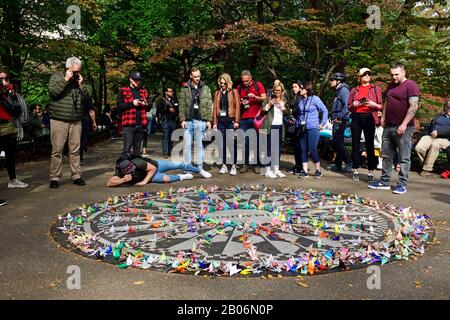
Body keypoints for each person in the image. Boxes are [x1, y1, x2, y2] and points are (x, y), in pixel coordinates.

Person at [369, 63, 420, 194]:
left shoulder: (411, 85)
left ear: (404, 72)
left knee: (404, 157)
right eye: (392, 74)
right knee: (386, 155)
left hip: (404, 127)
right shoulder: (391, 86)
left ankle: (402, 184)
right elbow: (387, 102)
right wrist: (383, 117)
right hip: (388, 126)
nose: (394, 77)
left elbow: (413, 106)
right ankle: (385, 181)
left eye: (396, 74)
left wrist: (403, 124)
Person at [48, 57, 88, 188]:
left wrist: (82, 84)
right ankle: (55, 177)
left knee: (75, 150)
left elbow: (87, 99)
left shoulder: (78, 81)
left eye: (78, 71)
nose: (77, 73)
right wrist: (65, 79)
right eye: (75, 71)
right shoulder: (56, 77)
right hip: (59, 119)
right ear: (68, 68)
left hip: (76, 120)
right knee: (57, 150)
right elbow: (53, 93)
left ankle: (76, 175)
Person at [348, 68, 383, 182]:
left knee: (370, 145)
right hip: (357, 117)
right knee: (355, 144)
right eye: (364, 74)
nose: (367, 76)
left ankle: (370, 171)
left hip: (369, 116)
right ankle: (355, 170)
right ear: (360, 77)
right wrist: (353, 104)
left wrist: (373, 104)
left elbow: (381, 106)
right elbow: (349, 106)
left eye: (368, 74)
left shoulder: (375, 88)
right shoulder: (354, 89)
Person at [178, 67, 212, 178]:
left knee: (199, 146)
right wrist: (182, 119)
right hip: (189, 121)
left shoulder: (205, 88)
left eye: (199, 76)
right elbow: (182, 104)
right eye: (195, 76)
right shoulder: (185, 88)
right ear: (191, 77)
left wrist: (209, 120)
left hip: (200, 121)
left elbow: (209, 105)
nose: (197, 78)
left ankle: (200, 168)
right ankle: (188, 169)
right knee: (187, 146)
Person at [0, 70, 29, 189]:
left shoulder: (12, 94)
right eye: (0, 79)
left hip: (10, 125)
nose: (3, 81)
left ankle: (13, 180)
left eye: (5, 78)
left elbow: (19, 110)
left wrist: (11, 95)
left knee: (10, 154)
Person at [295, 82, 328, 178]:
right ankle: (304, 171)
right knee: (303, 149)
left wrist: (322, 123)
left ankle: (318, 170)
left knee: (312, 149)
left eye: (301, 88)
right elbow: (300, 115)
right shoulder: (301, 100)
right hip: (302, 128)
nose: (300, 90)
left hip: (313, 127)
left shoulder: (315, 99)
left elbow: (324, 110)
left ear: (307, 89)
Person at [236, 70, 267, 174]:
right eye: (243, 81)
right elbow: (236, 101)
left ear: (251, 78)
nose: (245, 83)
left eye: (247, 81)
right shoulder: (239, 87)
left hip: (256, 118)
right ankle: (245, 164)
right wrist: (241, 102)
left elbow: (264, 97)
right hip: (244, 118)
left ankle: (257, 164)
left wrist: (255, 97)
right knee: (245, 142)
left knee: (257, 142)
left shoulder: (258, 85)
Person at [117, 71, 150, 159]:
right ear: (130, 79)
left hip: (141, 124)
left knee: (137, 150)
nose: (137, 82)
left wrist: (146, 104)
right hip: (128, 124)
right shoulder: (123, 90)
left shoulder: (144, 91)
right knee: (127, 149)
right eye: (135, 80)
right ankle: (123, 169)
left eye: (138, 80)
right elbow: (119, 106)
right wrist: (132, 103)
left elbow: (149, 107)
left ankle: (136, 170)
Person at [106, 156, 201, 186]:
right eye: (128, 170)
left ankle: (199, 170)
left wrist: (144, 182)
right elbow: (109, 183)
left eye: (131, 167)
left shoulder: (137, 162)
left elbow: (153, 169)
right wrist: (122, 180)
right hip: (150, 176)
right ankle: (182, 176)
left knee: (178, 164)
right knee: (166, 179)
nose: (131, 169)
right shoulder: (120, 171)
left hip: (155, 166)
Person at [213, 73, 240, 176]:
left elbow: (237, 107)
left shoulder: (234, 92)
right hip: (221, 122)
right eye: (221, 83)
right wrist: (214, 123)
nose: (222, 85)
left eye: (224, 83)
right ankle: (224, 165)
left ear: (228, 83)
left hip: (230, 121)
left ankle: (233, 165)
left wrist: (237, 121)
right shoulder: (217, 93)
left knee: (231, 144)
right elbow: (215, 108)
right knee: (221, 144)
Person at [260, 80, 287, 178]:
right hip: (271, 126)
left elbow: (287, 113)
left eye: (279, 91)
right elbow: (262, 111)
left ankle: (276, 169)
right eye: (275, 90)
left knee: (277, 149)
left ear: (282, 91)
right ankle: (267, 170)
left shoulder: (284, 100)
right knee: (269, 149)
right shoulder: (268, 99)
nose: (277, 92)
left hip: (280, 126)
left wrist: (282, 106)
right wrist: (270, 104)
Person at [415, 101, 450, 176]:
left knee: (435, 145)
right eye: (448, 107)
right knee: (419, 148)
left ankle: (427, 169)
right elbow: (431, 126)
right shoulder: (439, 116)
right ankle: (426, 164)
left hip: (445, 139)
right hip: (431, 136)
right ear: (446, 108)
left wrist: (439, 132)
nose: (449, 109)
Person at [329, 72, 352, 173]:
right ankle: (338, 164)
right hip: (338, 118)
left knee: (338, 142)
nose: (330, 82)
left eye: (332, 80)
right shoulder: (338, 91)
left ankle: (348, 162)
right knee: (338, 142)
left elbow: (347, 106)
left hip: (341, 119)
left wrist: (339, 117)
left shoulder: (343, 90)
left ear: (338, 81)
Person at [157, 88, 178, 159]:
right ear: (166, 92)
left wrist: (174, 111)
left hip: (173, 121)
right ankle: (165, 152)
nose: (171, 93)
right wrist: (168, 109)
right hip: (165, 121)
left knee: (172, 137)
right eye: (169, 91)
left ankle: (170, 151)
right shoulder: (162, 101)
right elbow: (159, 110)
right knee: (166, 136)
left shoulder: (174, 100)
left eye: (172, 91)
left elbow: (177, 109)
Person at [288, 81, 302, 175]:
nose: (294, 88)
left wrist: (291, 110)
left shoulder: (301, 97)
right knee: (295, 145)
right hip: (294, 123)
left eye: (295, 87)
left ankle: (299, 166)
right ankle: (297, 165)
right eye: (293, 87)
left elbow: (299, 109)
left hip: (299, 124)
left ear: (300, 87)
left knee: (299, 146)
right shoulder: (294, 97)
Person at [79, 94, 97, 165]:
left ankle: (78, 156)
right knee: (84, 138)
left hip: (75, 120)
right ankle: (80, 155)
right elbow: (91, 111)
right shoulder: (86, 95)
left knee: (76, 139)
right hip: (84, 120)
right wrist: (94, 122)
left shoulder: (70, 93)